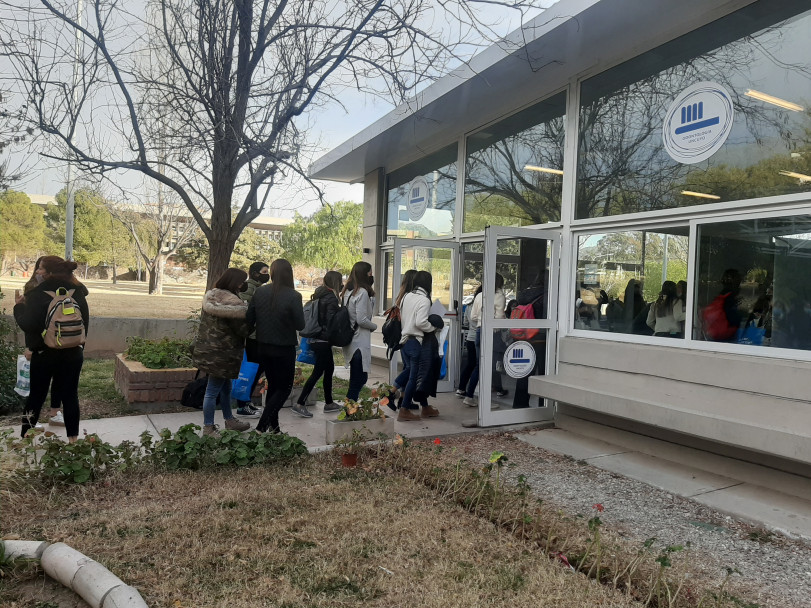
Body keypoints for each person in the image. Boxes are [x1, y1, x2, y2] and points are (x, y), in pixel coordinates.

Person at [13, 256, 89, 442]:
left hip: (44, 353)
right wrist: (79, 346)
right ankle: (73, 440)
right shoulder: (77, 292)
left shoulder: (37, 294)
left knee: (36, 396)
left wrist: (18, 308)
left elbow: (29, 325)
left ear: (49, 273)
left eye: (40, 269)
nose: (38, 272)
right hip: (73, 353)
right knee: (71, 396)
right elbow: (85, 322)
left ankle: (26, 437)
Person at [192, 268, 252, 437]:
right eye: (241, 282)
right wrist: (251, 318)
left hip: (207, 350)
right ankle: (208, 428)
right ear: (234, 282)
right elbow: (243, 331)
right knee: (212, 391)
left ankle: (230, 420)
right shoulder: (233, 304)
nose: (242, 285)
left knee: (225, 388)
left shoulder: (212, 297)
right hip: (223, 354)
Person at [248, 259, 305, 434]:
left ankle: (275, 428)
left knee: (273, 386)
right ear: (289, 273)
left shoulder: (260, 292)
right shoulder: (293, 296)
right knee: (284, 388)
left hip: (263, 347)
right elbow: (300, 325)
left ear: (272, 273)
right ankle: (261, 427)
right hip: (283, 348)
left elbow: (250, 319)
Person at [294, 270, 342, 416]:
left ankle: (329, 402)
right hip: (323, 340)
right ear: (336, 282)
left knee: (329, 369)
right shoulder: (331, 298)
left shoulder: (319, 294)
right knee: (318, 372)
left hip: (314, 338)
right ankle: (299, 403)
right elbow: (331, 322)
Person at [396, 270, 439, 421]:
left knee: (413, 376)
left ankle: (424, 407)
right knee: (414, 378)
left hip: (405, 340)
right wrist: (433, 328)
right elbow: (420, 322)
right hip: (416, 342)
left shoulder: (407, 296)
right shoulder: (424, 300)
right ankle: (404, 409)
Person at [463, 273, 507, 408]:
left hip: (479, 331)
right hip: (492, 333)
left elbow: (474, 316)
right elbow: (499, 318)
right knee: (490, 367)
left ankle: (469, 396)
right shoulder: (499, 296)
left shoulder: (479, 296)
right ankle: (486, 402)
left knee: (479, 365)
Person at [234, 261, 269, 418]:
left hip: (257, 335)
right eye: (264, 271)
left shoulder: (258, 288)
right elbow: (247, 312)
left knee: (256, 369)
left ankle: (246, 401)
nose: (266, 275)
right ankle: (242, 404)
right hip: (251, 337)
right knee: (251, 370)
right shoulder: (249, 288)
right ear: (255, 273)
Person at [340, 261, 377, 402]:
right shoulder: (361, 292)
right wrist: (374, 326)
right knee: (359, 378)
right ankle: (350, 408)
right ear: (364, 274)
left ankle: (350, 406)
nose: (371, 275)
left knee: (357, 377)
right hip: (359, 341)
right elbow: (361, 319)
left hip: (351, 339)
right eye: (370, 273)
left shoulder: (348, 292)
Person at [512, 270, 547, 409]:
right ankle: (543, 405)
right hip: (540, 338)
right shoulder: (546, 295)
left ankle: (519, 404)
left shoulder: (523, 294)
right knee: (543, 374)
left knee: (525, 371)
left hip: (523, 338)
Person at [456, 285, 481, 398]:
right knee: (478, 365)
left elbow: (466, 322)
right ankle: (470, 392)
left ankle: (461, 388)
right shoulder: (482, 306)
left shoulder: (469, 306)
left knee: (470, 365)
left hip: (470, 338)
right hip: (479, 337)